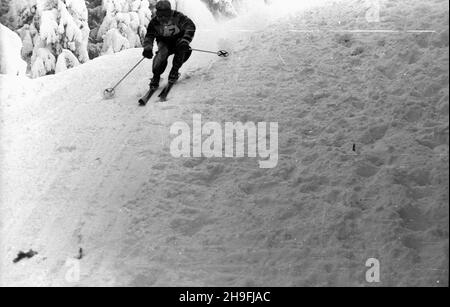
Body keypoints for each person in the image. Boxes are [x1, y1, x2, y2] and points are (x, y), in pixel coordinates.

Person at [142, 0, 196, 90]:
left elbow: (190, 26)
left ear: (170, 13)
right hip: (164, 43)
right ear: (157, 13)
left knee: (184, 50)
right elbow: (149, 36)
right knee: (162, 54)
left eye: (165, 15)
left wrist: (185, 40)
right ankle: (156, 76)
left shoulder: (178, 17)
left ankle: (174, 71)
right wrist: (147, 48)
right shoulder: (154, 22)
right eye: (160, 15)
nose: (163, 18)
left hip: (178, 41)